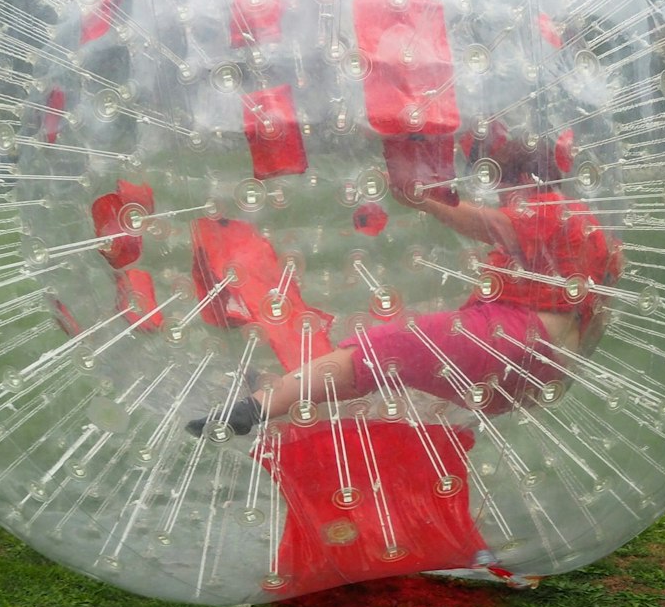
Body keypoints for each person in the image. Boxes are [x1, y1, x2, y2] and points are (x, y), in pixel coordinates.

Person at [189, 125, 621, 437]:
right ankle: (279, 389)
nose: (499, 191)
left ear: (524, 177)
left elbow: (486, 224)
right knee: (396, 377)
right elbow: (597, 313)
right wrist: (562, 372)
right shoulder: (594, 232)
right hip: (542, 366)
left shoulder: (551, 206)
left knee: (382, 350)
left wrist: (426, 200)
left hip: (510, 339)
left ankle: (252, 409)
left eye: (502, 179)